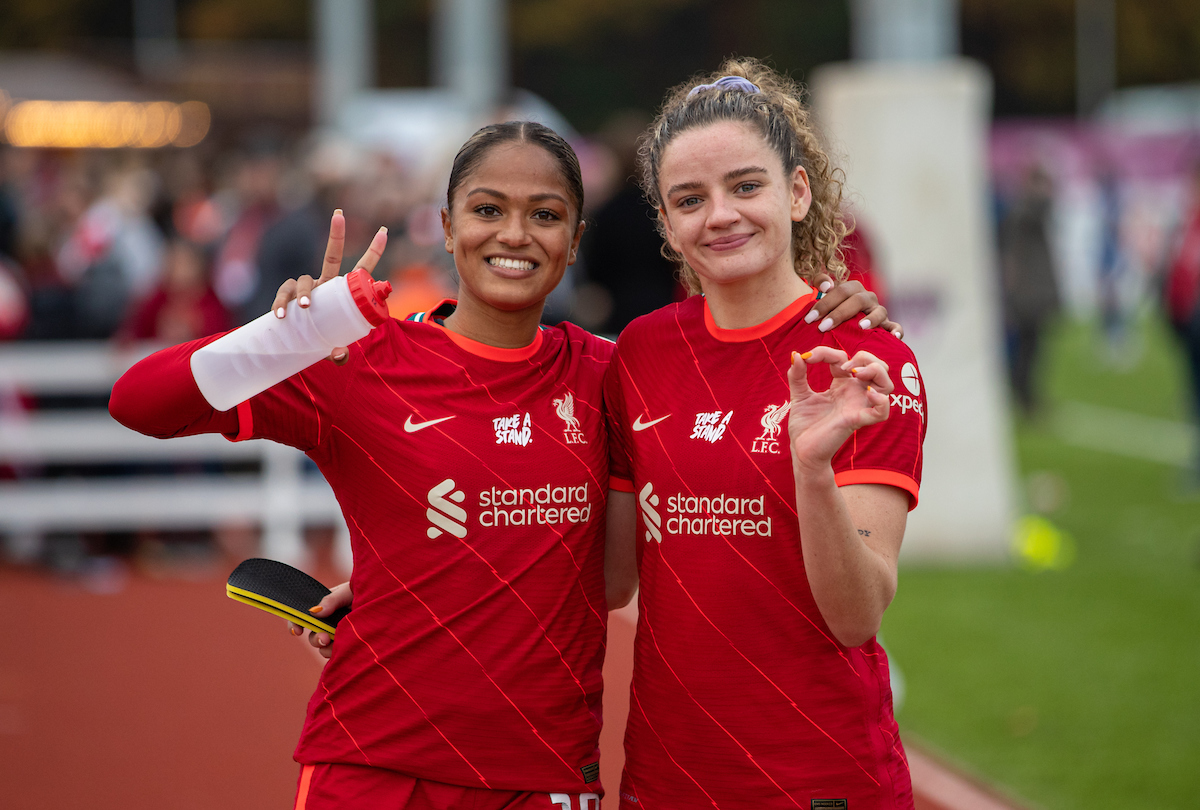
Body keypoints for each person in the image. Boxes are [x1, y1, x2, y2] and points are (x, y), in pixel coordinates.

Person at [111, 120, 895, 809]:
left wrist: (837, 310)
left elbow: (619, 560)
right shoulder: (361, 357)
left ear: (574, 239)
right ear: (447, 227)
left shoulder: (609, 373)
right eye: (487, 210)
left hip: (546, 772)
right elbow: (139, 402)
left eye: (544, 215)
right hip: (374, 763)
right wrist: (291, 332)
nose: (514, 234)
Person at [602, 60, 928, 809]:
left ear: (799, 191)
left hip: (818, 777)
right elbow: (608, 575)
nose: (720, 215)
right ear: (666, 220)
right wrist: (401, 593)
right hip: (667, 776)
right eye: (690, 199)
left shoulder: (868, 360)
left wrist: (809, 468)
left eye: (746, 186)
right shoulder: (642, 352)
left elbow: (856, 617)